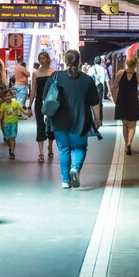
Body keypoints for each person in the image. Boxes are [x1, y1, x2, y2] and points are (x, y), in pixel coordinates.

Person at [44, 50, 101, 188]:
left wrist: (46, 114)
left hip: (59, 119)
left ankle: (65, 181)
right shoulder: (88, 80)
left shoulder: (55, 76)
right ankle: (75, 168)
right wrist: (97, 118)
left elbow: (46, 97)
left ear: (65, 60)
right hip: (81, 119)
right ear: (79, 61)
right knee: (79, 147)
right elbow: (94, 102)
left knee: (64, 149)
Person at [112, 56, 139, 155]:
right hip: (133, 102)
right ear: (136, 64)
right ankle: (130, 143)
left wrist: (116, 99)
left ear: (126, 63)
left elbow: (115, 86)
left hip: (122, 101)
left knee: (125, 124)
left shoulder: (120, 73)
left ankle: (126, 143)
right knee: (132, 126)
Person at [29, 51, 56, 162]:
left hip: (50, 102)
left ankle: (50, 147)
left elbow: (56, 89)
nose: (41, 60)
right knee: (40, 125)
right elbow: (33, 90)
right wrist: (29, 105)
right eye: (39, 58)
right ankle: (41, 153)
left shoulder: (53, 72)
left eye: (43, 58)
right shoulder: (36, 73)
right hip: (39, 102)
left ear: (48, 59)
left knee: (50, 126)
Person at [0, 88, 29, 160]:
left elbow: (23, 111)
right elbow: (1, 115)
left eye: (9, 95)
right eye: (5, 96)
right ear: (3, 97)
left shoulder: (16, 104)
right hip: (6, 124)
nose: (7, 97)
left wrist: (27, 113)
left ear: (12, 96)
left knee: (12, 138)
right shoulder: (3, 105)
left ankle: (12, 152)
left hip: (14, 123)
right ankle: (10, 147)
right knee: (7, 138)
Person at [88, 56, 110, 122]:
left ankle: (93, 118)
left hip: (92, 88)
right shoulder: (104, 70)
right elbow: (107, 81)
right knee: (100, 103)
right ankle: (100, 118)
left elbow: (88, 80)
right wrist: (109, 91)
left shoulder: (91, 69)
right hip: (100, 88)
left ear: (94, 62)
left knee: (92, 103)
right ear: (100, 62)